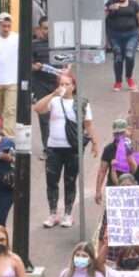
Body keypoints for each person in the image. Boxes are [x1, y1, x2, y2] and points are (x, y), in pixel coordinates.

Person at [33, 73, 99, 228]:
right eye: (61, 84)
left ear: (73, 86)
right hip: (54, 147)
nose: (63, 87)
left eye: (67, 84)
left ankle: (68, 214)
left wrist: (95, 142)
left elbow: (88, 124)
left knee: (70, 180)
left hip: (73, 148)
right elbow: (38, 109)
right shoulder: (54, 101)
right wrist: (52, 94)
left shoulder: (81, 103)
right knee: (52, 181)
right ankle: (53, 213)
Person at [105, 0, 139, 91]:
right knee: (118, 57)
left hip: (132, 33)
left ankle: (129, 77)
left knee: (129, 55)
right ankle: (118, 81)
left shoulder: (133, 4)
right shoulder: (111, 2)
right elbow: (102, 15)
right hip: (115, 34)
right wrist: (110, 8)